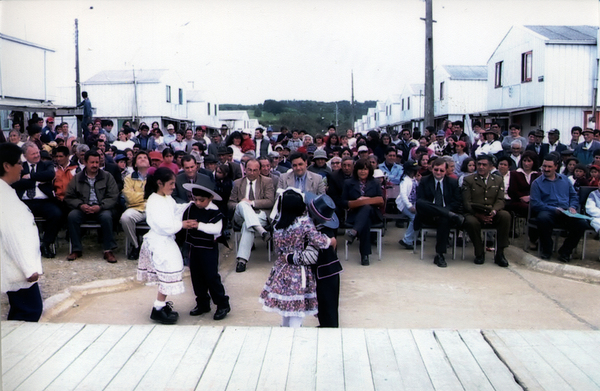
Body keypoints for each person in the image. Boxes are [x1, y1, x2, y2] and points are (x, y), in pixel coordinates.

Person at [259, 189, 333, 328]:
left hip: (282, 270)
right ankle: (293, 340)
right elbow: (319, 241)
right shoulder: (304, 223)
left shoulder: (277, 226)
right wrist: (330, 241)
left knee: (286, 310)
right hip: (299, 271)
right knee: (296, 309)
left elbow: (278, 250)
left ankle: (285, 337)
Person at [137, 167, 196, 324]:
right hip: (159, 241)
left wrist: (190, 204)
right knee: (166, 273)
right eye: (170, 184)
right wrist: (181, 224)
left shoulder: (167, 199)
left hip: (166, 240)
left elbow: (175, 210)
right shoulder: (154, 201)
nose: (173, 187)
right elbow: (163, 225)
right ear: (159, 183)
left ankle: (161, 305)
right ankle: (158, 308)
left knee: (168, 272)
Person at [0, 143, 44, 321]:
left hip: (17, 266)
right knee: (30, 311)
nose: (22, 167)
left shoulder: (7, 192)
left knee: (22, 311)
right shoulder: (3, 197)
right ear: (6, 166)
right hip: (17, 268)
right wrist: (28, 269)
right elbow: (12, 236)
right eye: (19, 163)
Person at [182, 181, 231, 320]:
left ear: (209, 198)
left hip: (209, 248)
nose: (197, 202)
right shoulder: (191, 208)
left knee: (211, 276)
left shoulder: (214, 211)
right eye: (195, 199)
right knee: (196, 277)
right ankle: (202, 303)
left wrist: (199, 225)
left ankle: (222, 304)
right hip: (194, 247)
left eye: (201, 200)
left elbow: (216, 229)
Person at [530, 154, 589, 262]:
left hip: (566, 211)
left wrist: (572, 207)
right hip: (548, 210)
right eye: (544, 166)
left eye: (549, 167)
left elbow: (573, 196)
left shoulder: (565, 180)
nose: (546, 169)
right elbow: (536, 204)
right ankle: (547, 250)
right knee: (543, 219)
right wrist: (554, 209)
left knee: (581, 224)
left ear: (556, 167)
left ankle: (565, 252)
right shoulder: (537, 183)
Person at [64, 149, 119, 263]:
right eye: (92, 162)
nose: (95, 165)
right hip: (83, 208)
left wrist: (101, 206)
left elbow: (113, 196)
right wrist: (80, 205)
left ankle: (108, 250)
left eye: (97, 162)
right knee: (72, 216)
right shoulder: (77, 178)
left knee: (106, 217)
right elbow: (69, 196)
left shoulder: (107, 177)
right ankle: (76, 249)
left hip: (101, 208)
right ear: (85, 162)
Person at [11, 142, 62, 258]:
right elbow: (16, 182)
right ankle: (24, 246)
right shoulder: (19, 166)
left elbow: (49, 175)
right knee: (15, 216)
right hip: (24, 201)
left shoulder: (47, 164)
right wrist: (38, 180)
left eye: (37, 152)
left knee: (57, 214)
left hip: (44, 200)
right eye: (33, 154)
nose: (36, 155)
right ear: (25, 155)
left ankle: (46, 244)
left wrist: (30, 177)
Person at [462, 154, 511, 267]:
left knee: (505, 216)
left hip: (492, 212)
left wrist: (493, 212)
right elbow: (466, 202)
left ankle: (500, 253)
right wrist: (478, 215)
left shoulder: (498, 180)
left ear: (490, 167)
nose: (481, 167)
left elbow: (500, 200)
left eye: (484, 165)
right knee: (471, 222)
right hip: (474, 212)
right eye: (479, 164)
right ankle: (479, 253)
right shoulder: (469, 180)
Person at [414, 158, 464, 267]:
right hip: (428, 215)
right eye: (436, 169)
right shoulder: (424, 180)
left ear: (446, 171)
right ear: (432, 169)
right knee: (420, 203)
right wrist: (442, 211)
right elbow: (421, 200)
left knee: (444, 219)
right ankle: (446, 213)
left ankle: (440, 254)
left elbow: (456, 202)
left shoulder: (453, 182)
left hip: (446, 215)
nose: (438, 172)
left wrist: (444, 212)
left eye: (441, 170)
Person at [229, 159, 274, 272]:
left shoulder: (267, 181)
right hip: (241, 215)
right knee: (243, 204)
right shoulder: (238, 183)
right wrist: (243, 204)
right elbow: (230, 203)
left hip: (260, 215)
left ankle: (242, 261)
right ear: (245, 169)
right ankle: (261, 231)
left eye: (255, 170)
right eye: (249, 170)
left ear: (259, 171)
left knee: (247, 225)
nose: (252, 173)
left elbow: (270, 201)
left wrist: (252, 203)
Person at [342, 158, 384, 266]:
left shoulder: (375, 182)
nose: (363, 171)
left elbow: (380, 200)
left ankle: (354, 232)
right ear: (356, 170)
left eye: (365, 169)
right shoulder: (348, 183)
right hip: (355, 214)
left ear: (369, 170)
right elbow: (342, 201)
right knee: (365, 221)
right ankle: (365, 255)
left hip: (373, 213)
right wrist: (357, 202)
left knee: (367, 207)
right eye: (360, 169)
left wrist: (366, 201)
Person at [120, 151, 151, 260]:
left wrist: (136, 195)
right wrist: (146, 195)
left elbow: (157, 196)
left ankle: (152, 247)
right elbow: (129, 198)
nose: (143, 159)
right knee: (125, 218)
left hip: (152, 208)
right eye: (139, 158)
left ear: (149, 162)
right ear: (135, 164)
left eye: (145, 157)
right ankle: (136, 246)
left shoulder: (154, 177)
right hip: (135, 209)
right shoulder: (129, 178)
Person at [396, 160, 420, 250]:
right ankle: (407, 240)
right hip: (404, 204)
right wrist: (409, 206)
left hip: (413, 203)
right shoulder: (404, 180)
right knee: (414, 218)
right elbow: (403, 195)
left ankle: (413, 237)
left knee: (419, 217)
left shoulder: (414, 179)